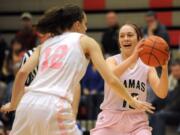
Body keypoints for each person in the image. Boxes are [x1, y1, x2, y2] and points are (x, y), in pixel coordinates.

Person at [0, 5, 154, 135]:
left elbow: (21, 73)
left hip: (27, 103)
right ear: (77, 24)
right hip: (55, 104)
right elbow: (111, 79)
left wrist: (14, 103)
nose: (86, 28)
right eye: (85, 24)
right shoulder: (86, 41)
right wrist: (131, 100)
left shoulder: (45, 44)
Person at [91, 23, 169, 135]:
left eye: (130, 35)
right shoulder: (111, 61)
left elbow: (162, 93)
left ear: (139, 39)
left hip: (137, 122)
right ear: (118, 41)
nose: (125, 38)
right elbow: (111, 76)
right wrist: (133, 58)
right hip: (110, 121)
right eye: (122, 36)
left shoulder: (147, 66)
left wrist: (165, 68)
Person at [150, 58, 180, 135]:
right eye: (173, 71)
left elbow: (177, 103)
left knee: (160, 115)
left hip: (177, 112)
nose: (175, 73)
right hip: (173, 110)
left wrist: (165, 110)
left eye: (177, 71)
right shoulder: (176, 81)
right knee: (154, 114)